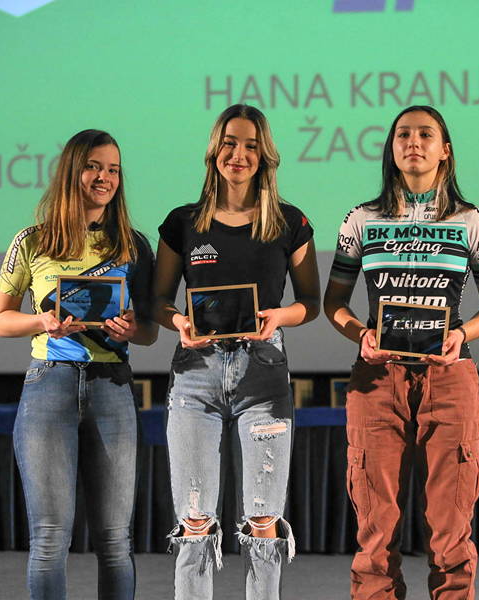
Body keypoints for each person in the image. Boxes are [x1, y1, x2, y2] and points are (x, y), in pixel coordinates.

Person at [323, 106, 479, 600]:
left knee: (451, 529)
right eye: (403, 134)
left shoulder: (471, 220)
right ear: (391, 147)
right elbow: (334, 302)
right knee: (375, 530)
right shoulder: (361, 218)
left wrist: (461, 336)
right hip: (377, 378)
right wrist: (359, 333)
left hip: (449, 376)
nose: (413, 142)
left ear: (445, 150)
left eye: (426, 134)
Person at [153, 104, 319, 600]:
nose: (239, 154)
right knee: (195, 522)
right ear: (214, 150)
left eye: (250, 145)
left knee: (264, 520)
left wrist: (279, 316)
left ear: (264, 155)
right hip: (195, 377)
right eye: (230, 143)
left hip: (263, 374)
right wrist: (178, 321)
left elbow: (310, 303)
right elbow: (158, 301)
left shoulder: (289, 221)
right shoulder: (183, 222)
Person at [0, 129, 156, 600]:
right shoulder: (32, 240)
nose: (104, 178)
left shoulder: (133, 245)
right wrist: (41, 322)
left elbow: (149, 330)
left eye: (113, 170)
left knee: (115, 541)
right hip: (49, 385)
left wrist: (130, 330)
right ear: (71, 171)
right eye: (94, 167)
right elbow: (0, 320)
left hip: (112, 386)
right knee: (49, 539)